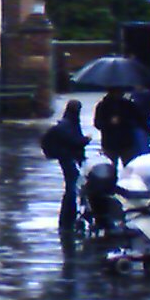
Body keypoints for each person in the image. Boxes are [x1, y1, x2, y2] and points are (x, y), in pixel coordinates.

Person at [42, 100, 91, 233]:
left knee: (73, 186)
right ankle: (69, 216)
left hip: (68, 158)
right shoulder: (69, 124)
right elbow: (74, 141)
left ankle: (69, 215)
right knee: (72, 187)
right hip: (69, 158)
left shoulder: (68, 122)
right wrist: (86, 140)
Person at [93, 86, 139, 165]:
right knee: (127, 165)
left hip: (113, 141)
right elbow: (136, 120)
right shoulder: (127, 104)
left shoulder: (102, 105)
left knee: (112, 166)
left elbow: (98, 124)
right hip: (122, 141)